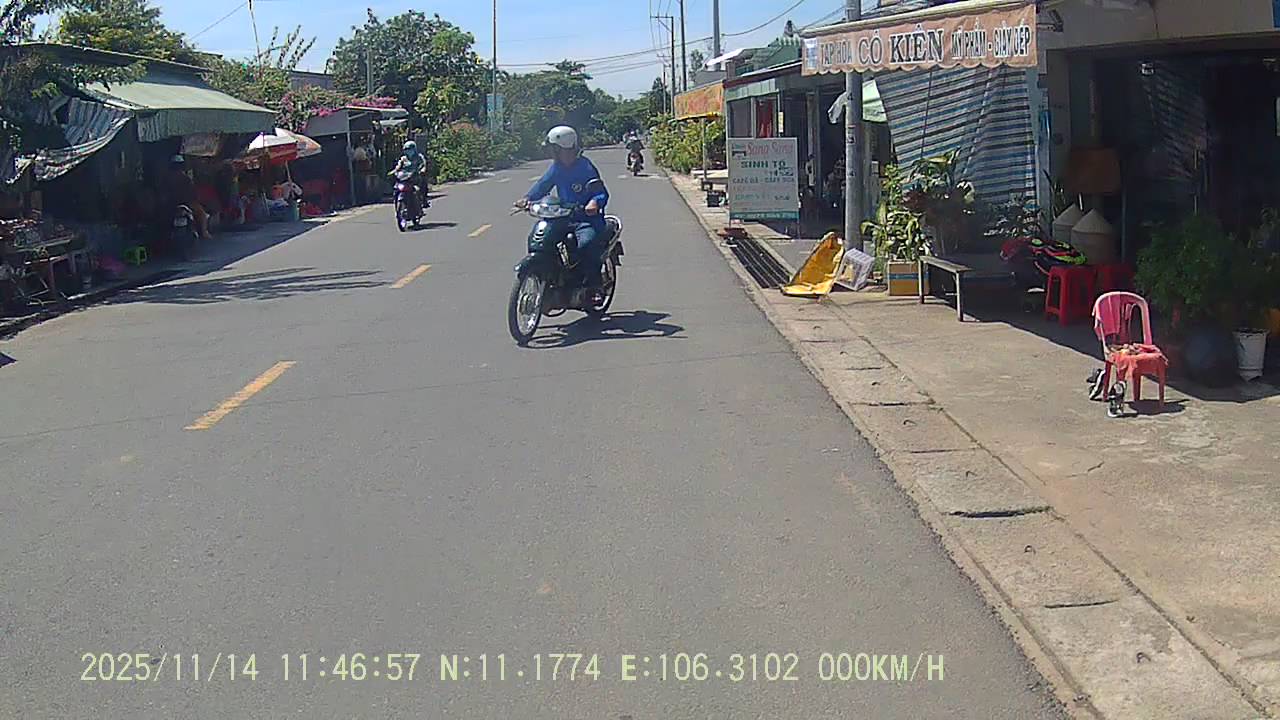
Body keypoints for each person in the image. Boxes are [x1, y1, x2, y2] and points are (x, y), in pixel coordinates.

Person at [516, 125, 610, 290]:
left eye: (554, 149)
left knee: (586, 244)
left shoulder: (585, 167)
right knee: (539, 238)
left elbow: (601, 193)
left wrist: (594, 202)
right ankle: (550, 273)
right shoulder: (557, 168)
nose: (551, 153)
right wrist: (527, 198)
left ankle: (593, 285)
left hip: (585, 220)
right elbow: (543, 185)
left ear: (565, 148)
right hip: (561, 216)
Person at [166, 155, 210, 239]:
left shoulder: (167, 178)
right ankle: (204, 232)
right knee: (202, 214)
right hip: (187, 203)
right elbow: (192, 192)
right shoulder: (185, 178)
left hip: (172, 204)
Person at [389, 140, 428, 210]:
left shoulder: (419, 157)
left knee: (421, 185)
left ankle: (424, 201)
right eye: (406, 149)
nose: (408, 151)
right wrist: (393, 171)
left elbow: (423, 164)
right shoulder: (403, 158)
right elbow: (398, 166)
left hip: (415, 176)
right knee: (396, 188)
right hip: (404, 177)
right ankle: (397, 202)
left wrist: (422, 170)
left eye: (409, 149)